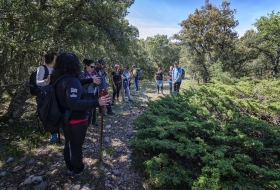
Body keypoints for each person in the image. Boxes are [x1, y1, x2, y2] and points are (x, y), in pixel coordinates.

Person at [51, 52, 110, 177]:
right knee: (76, 146)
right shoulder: (72, 81)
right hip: (75, 120)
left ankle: (70, 167)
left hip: (65, 118)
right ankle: (78, 169)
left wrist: (90, 79)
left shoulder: (59, 79)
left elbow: (76, 83)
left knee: (69, 143)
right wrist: (97, 102)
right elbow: (73, 102)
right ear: (74, 65)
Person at [36, 51, 58, 143]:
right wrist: (45, 81)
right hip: (45, 96)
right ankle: (53, 134)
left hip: (54, 95)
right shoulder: (42, 68)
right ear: (51, 59)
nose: (56, 60)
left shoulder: (55, 69)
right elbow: (37, 82)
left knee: (55, 113)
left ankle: (55, 131)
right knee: (48, 114)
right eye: (55, 58)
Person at [81, 59, 99, 127]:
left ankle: (94, 121)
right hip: (87, 93)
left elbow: (98, 81)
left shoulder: (95, 72)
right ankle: (87, 123)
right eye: (91, 67)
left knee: (94, 107)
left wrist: (97, 82)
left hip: (94, 92)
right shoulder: (83, 73)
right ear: (87, 66)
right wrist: (91, 80)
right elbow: (82, 84)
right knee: (90, 108)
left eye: (94, 67)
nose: (93, 68)